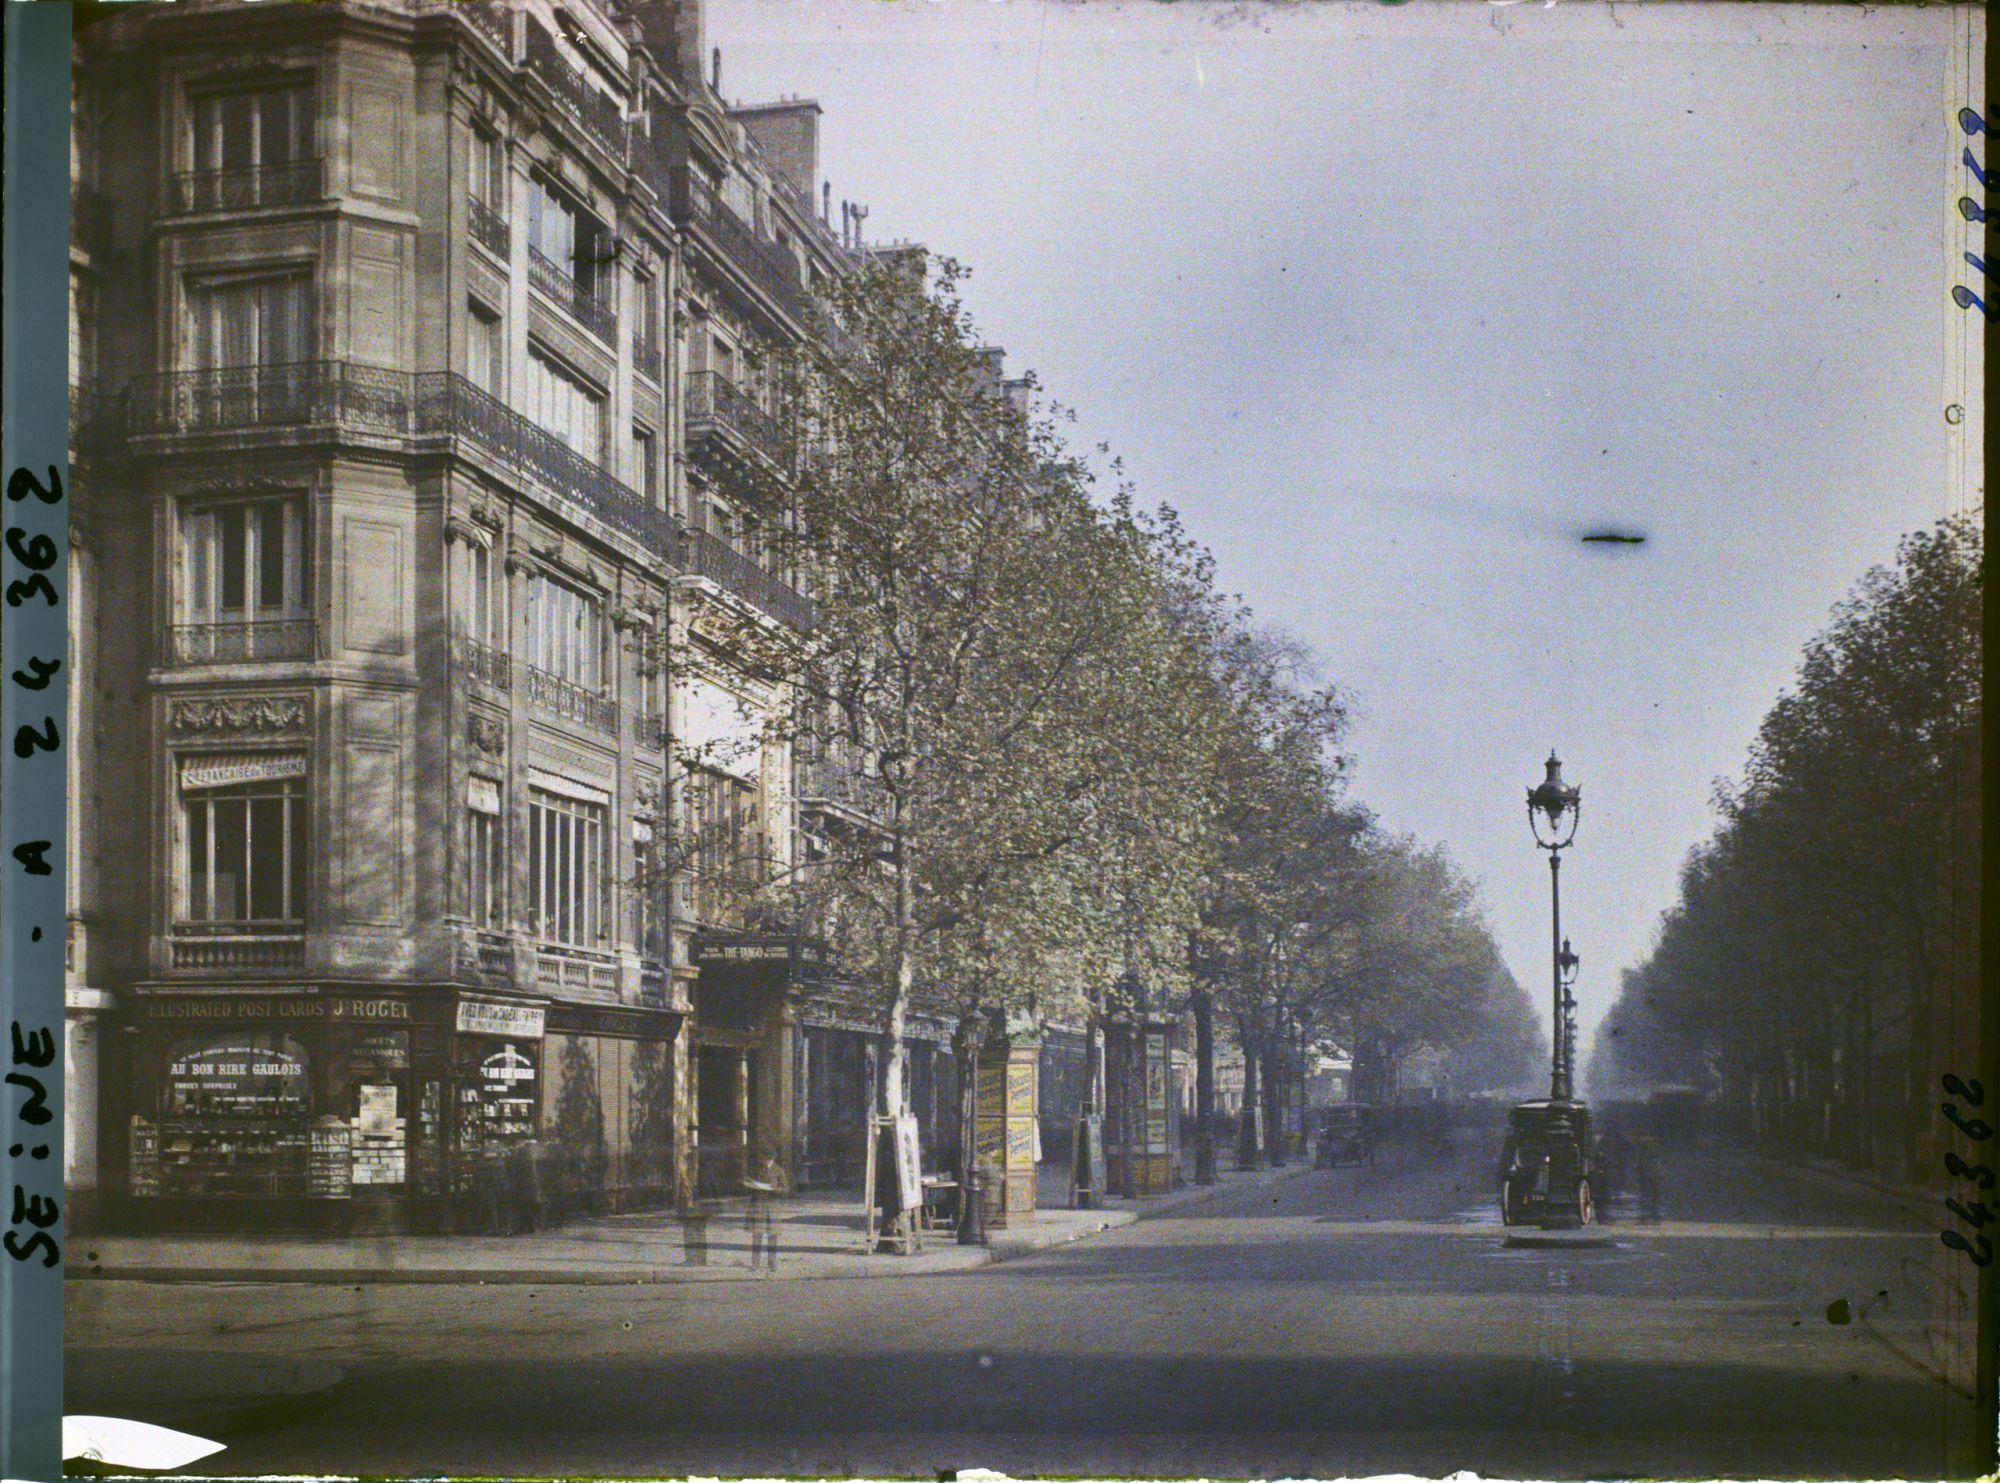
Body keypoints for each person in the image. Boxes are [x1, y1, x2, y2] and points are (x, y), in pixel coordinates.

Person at [743, 1148, 788, 1273]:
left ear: (772, 1158)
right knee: (757, 1236)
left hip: (772, 1208)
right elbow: (748, 1184)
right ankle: (755, 1264)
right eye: (763, 1158)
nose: (763, 1160)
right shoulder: (757, 1170)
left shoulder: (779, 1171)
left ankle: (772, 1264)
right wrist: (751, 1185)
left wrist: (775, 1189)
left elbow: (785, 1189)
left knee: (772, 1237)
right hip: (758, 1207)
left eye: (766, 1158)